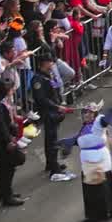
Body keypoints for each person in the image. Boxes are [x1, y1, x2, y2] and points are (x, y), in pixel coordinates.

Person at [61, 102, 112, 222]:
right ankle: (93, 214)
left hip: (98, 160)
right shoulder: (84, 127)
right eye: (85, 112)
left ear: (94, 114)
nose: (87, 115)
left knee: (101, 187)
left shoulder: (98, 122)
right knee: (90, 189)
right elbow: (78, 139)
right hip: (88, 161)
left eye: (89, 112)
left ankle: (108, 211)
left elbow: (105, 121)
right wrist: (65, 143)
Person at [31, 53, 74, 182]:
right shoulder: (38, 79)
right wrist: (56, 107)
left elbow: (54, 90)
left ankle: (51, 163)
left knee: (52, 138)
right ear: (43, 64)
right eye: (49, 62)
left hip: (54, 110)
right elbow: (41, 98)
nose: (52, 64)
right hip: (48, 112)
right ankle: (54, 168)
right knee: (52, 141)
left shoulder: (48, 75)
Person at [0, 79, 24, 206]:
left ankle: (6, 192)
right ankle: (6, 196)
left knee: (8, 167)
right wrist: (9, 140)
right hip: (2, 141)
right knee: (7, 167)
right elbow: (0, 126)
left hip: (5, 138)